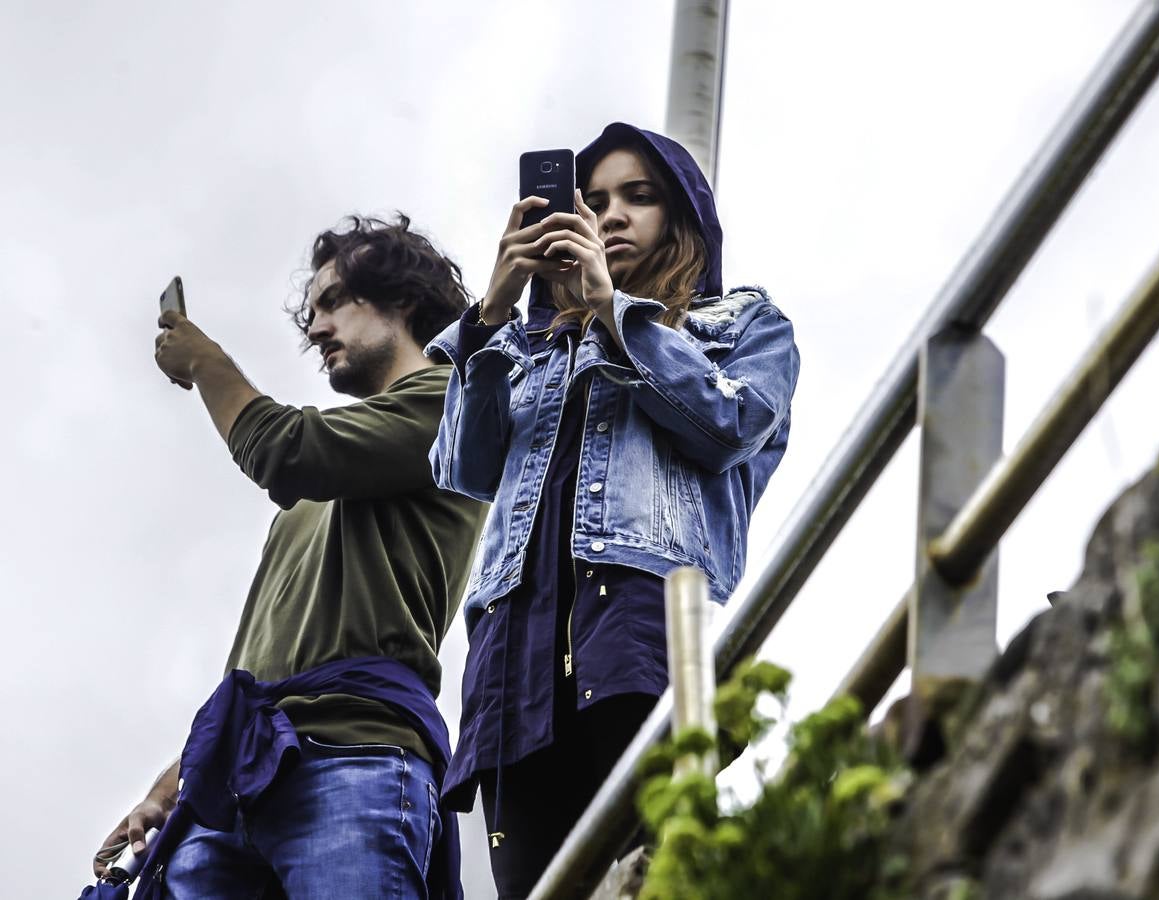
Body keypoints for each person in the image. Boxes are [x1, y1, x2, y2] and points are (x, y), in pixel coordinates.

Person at [426, 123, 802, 898]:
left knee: (655, 877)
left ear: (682, 216)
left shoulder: (742, 326)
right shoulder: (529, 348)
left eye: (640, 196)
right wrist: (492, 314)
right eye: (593, 200)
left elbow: (727, 426)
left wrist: (610, 309)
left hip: (638, 635)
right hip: (510, 662)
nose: (612, 215)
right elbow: (462, 466)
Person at [90, 215, 487, 899]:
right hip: (238, 782)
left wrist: (206, 361)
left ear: (402, 300)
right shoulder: (311, 500)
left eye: (334, 301)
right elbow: (267, 660)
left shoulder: (452, 404)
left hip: (356, 759)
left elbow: (285, 450)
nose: (317, 326)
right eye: (312, 312)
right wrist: (177, 778)